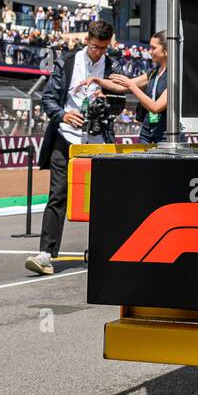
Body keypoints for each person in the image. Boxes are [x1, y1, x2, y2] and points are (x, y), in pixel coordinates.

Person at [24, 20, 119, 276]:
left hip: (98, 142)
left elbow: (121, 103)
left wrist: (108, 100)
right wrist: (64, 116)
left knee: (102, 199)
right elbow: (48, 99)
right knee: (58, 195)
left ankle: (102, 250)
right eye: (94, 46)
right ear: (87, 39)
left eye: (103, 47)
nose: (97, 51)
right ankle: (45, 254)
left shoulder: (113, 66)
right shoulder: (66, 62)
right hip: (66, 139)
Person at [111, 31, 168, 144]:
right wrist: (96, 80)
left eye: (153, 48)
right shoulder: (154, 71)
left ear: (166, 50)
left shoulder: (175, 75)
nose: (150, 51)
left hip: (165, 135)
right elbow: (121, 87)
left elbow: (156, 107)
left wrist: (132, 86)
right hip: (146, 132)